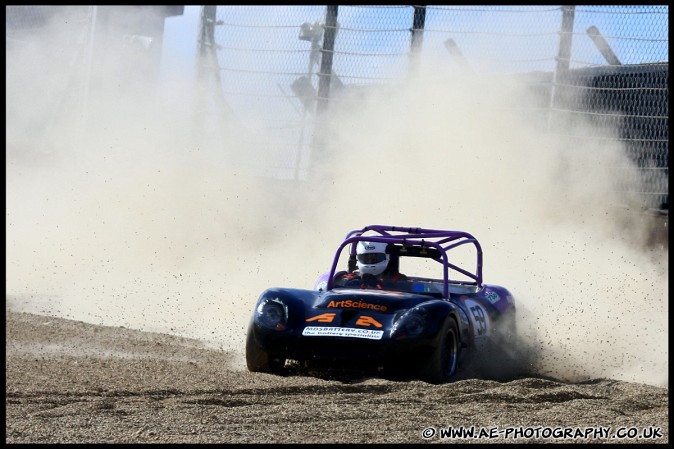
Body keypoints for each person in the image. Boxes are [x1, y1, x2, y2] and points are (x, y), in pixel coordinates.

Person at [335, 241, 407, 290]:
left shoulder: (399, 280)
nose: (370, 261)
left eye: (374, 258)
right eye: (366, 258)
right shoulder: (350, 279)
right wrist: (357, 282)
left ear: (387, 257)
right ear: (358, 258)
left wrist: (379, 284)